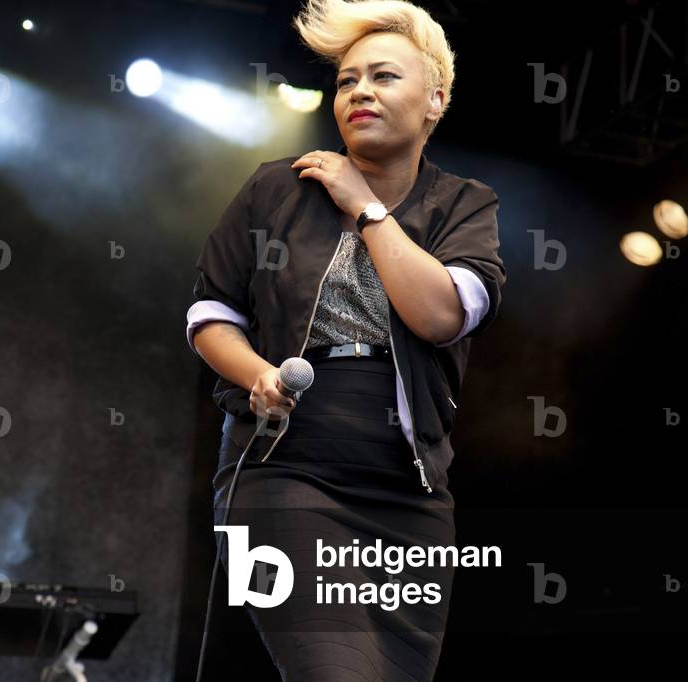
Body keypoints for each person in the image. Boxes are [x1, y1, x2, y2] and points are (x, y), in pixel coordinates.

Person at [186, 0, 507, 679]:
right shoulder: (275, 188)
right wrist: (255, 376)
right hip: (279, 472)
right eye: (346, 80)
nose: (359, 90)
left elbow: (439, 317)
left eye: (383, 76)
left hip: (409, 498)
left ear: (435, 100)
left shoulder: (462, 205)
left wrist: (364, 204)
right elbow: (210, 314)